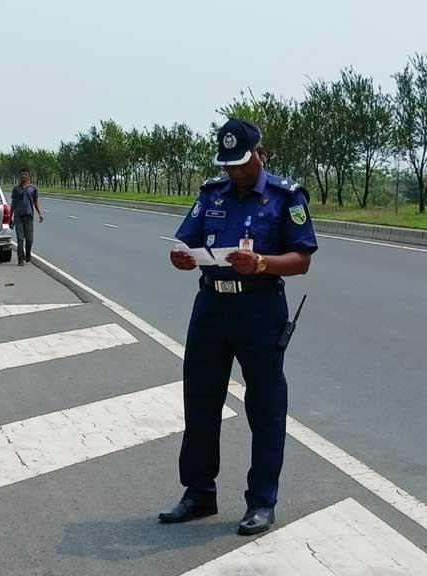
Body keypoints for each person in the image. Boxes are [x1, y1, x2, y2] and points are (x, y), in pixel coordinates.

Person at [159, 118, 318, 535]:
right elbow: (185, 239)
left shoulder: (286, 197)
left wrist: (262, 263)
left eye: (241, 164)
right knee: (200, 400)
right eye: (228, 165)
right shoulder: (212, 195)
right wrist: (181, 256)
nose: (234, 172)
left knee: (264, 407)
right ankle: (198, 493)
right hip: (211, 305)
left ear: (259, 156)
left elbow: (302, 259)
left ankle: (262, 501)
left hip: (260, 309)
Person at [9, 167, 43, 266]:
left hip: (29, 217)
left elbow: (35, 202)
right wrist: (10, 217)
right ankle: (20, 259)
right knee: (20, 239)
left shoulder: (33, 188)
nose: (23, 176)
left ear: (28, 176)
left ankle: (28, 253)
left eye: (25, 174)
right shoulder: (16, 189)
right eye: (22, 174)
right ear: (20, 176)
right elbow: (13, 204)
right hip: (18, 217)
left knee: (29, 240)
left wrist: (40, 213)